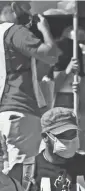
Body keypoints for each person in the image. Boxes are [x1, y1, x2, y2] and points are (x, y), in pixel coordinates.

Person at [0, 3, 60, 179]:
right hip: (20, 109)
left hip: (4, 112)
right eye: (26, 6)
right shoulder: (14, 31)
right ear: (14, 6)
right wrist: (45, 30)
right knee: (23, 176)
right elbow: (51, 54)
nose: (29, 12)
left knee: (6, 174)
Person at [40, 37, 85, 156]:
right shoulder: (48, 80)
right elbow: (46, 100)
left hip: (81, 143)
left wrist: (81, 94)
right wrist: (65, 73)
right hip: (53, 144)